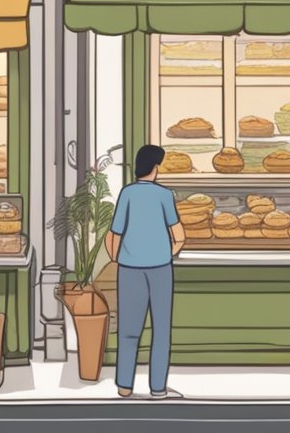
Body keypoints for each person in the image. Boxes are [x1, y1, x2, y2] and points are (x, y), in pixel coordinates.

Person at [105, 144, 186, 400]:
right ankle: (158, 388)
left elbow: (113, 235)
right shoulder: (164, 195)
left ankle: (124, 385)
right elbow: (180, 236)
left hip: (129, 269)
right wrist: (167, 251)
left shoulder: (126, 193)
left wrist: (118, 258)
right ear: (155, 168)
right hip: (160, 269)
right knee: (161, 330)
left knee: (129, 329)